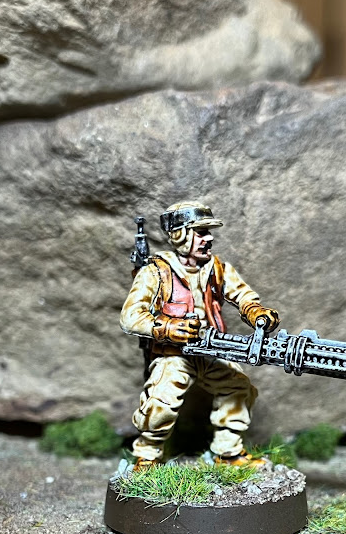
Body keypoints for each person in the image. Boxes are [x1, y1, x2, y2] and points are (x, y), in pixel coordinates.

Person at [120, 201, 280, 469]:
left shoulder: (217, 268)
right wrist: (166, 328)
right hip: (174, 354)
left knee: (238, 388)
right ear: (179, 235)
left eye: (209, 232)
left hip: (211, 349)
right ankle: (147, 456)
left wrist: (256, 312)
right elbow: (130, 316)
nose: (209, 238)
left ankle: (228, 453)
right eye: (201, 232)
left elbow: (243, 295)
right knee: (160, 402)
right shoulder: (156, 272)